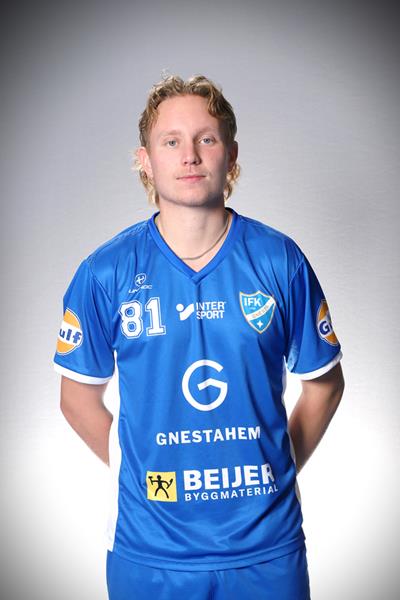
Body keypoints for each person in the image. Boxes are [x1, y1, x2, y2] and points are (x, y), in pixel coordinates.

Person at [54, 74, 344, 599]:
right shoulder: (106, 272)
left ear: (231, 155)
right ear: (145, 160)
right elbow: (76, 397)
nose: (189, 155)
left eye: (206, 139)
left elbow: (324, 385)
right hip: (149, 552)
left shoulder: (279, 260)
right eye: (171, 141)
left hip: (268, 550)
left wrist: (272, 469)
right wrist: (140, 471)